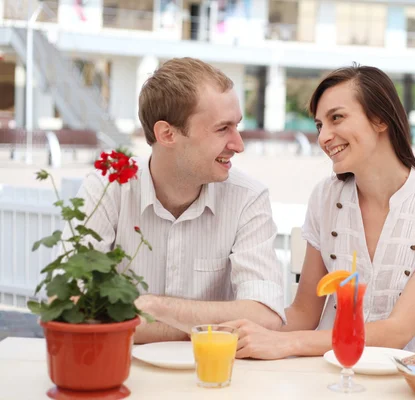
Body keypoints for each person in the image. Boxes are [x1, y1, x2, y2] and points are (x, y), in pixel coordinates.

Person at [225, 65, 415, 359]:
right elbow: (305, 313)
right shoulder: (325, 197)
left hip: (413, 383)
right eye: (320, 125)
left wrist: (288, 344)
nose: (323, 137)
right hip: (330, 377)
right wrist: (239, 330)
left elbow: (398, 332)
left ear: (380, 118)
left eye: (337, 118)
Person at [74, 57, 285, 343]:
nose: (239, 144)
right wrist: (209, 327)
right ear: (167, 134)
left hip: (216, 379)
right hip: (122, 372)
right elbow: (72, 305)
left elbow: (266, 317)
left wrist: (155, 307)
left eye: (237, 126)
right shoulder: (107, 188)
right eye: (223, 128)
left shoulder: (248, 197)